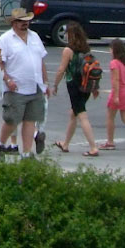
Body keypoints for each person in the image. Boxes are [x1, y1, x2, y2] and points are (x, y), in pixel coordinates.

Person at [0, 8, 50, 159]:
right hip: (15, 87)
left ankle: (26, 152)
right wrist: (7, 79)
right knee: (12, 120)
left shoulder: (35, 37)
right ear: (14, 23)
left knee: (30, 120)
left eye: (27, 21)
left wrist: (45, 82)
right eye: (22, 21)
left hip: (35, 86)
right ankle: (1, 144)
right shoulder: (5, 39)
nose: (25, 24)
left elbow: (41, 60)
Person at [54, 23, 101, 156]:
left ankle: (93, 147)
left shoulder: (68, 50)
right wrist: (94, 88)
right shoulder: (86, 49)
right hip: (86, 85)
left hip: (74, 84)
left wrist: (55, 85)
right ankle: (65, 144)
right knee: (73, 113)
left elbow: (61, 70)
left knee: (82, 115)